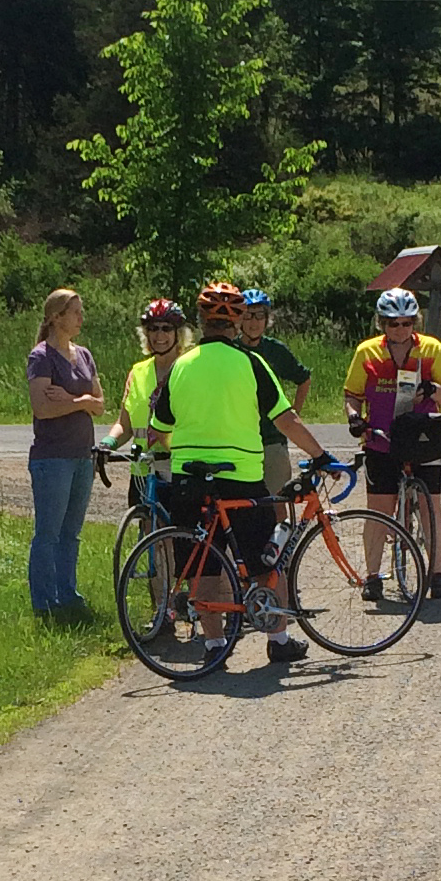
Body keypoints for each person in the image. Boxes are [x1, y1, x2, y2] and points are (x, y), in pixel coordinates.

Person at [150, 281, 335, 668]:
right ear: (235, 322)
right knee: (265, 560)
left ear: (201, 321)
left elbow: (157, 430)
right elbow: (286, 419)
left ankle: (215, 646)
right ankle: (278, 638)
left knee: (204, 560)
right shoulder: (251, 362)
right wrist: (321, 455)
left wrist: (187, 449)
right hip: (242, 476)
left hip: (189, 478)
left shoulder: (180, 366)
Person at [343, 287, 441, 600]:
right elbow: (351, 395)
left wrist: (432, 388)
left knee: (430, 506)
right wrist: (354, 417)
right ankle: (372, 577)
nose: (401, 329)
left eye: (407, 323)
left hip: (422, 437)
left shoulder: (431, 349)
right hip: (381, 439)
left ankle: (436, 574)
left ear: (415, 322)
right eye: (393, 323)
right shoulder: (367, 352)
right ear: (382, 324)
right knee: (378, 509)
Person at [25, 288, 104, 617]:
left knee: (71, 533)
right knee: (49, 532)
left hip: (82, 455)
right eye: (74, 312)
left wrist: (77, 403)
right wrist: (81, 404)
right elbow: (42, 408)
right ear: (56, 317)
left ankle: (68, 595)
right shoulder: (41, 357)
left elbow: (99, 405)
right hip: (52, 457)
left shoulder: (84, 355)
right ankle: (44, 603)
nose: (80, 317)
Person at [100, 298, 190, 505]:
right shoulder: (138, 372)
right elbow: (125, 424)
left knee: (175, 534)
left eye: (167, 329)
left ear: (179, 333)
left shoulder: (189, 369)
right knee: (147, 530)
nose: (159, 335)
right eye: (153, 329)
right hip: (144, 469)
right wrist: (108, 444)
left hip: (178, 467)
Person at [237, 288, 312, 520]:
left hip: (271, 439)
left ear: (267, 319)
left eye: (259, 315)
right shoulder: (231, 348)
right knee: (242, 505)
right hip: (239, 439)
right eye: (248, 315)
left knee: (279, 501)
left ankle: (283, 554)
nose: (253, 322)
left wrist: (292, 414)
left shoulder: (275, 350)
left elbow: (303, 378)